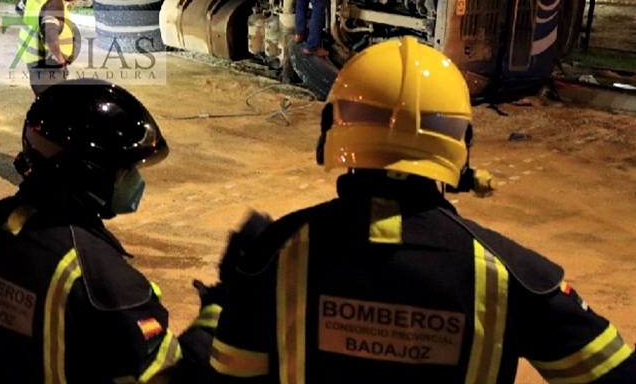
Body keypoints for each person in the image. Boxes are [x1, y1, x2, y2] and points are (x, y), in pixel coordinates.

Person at [208, 36, 636, 384]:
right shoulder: (514, 275)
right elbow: (615, 374)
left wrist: (231, 295)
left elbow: (230, 373)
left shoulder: (274, 256)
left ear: (334, 130)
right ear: (459, 144)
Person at [0, 78, 266, 383]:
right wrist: (226, 301)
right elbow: (180, 377)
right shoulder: (100, 280)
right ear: (87, 173)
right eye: (125, 170)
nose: (135, 181)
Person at [15, 0, 87, 96]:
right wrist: (60, 59)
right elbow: (49, 34)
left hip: (31, 54)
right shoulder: (54, 3)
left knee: (43, 95)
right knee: (52, 99)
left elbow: (19, 8)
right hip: (47, 62)